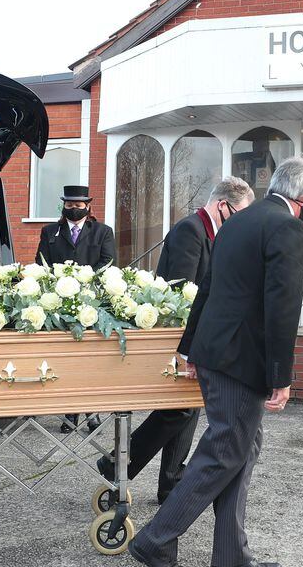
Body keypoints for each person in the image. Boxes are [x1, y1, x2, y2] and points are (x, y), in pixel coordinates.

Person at [128, 154, 303, 567]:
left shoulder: (237, 221)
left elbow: (207, 290)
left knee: (243, 446)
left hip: (216, 352)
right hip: (242, 360)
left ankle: (230, 556)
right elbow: (282, 307)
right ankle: (156, 538)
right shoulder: (287, 227)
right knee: (225, 450)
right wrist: (282, 376)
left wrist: (189, 348)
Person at [97, 177, 255, 503]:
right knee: (180, 410)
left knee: (186, 409)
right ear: (223, 205)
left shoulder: (211, 232)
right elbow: (182, 292)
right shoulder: (190, 231)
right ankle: (119, 464)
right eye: (239, 213)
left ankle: (169, 482)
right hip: (181, 338)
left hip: (197, 337)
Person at [36, 185, 117, 433]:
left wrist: (82, 278)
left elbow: (108, 261)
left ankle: (92, 413)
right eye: (69, 205)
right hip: (60, 303)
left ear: (87, 206)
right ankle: (69, 414)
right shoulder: (50, 231)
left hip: (91, 304)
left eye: (78, 205)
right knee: (67, 359)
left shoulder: (102, 231)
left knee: (90, 360)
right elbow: (41, 262)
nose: (73, 209)